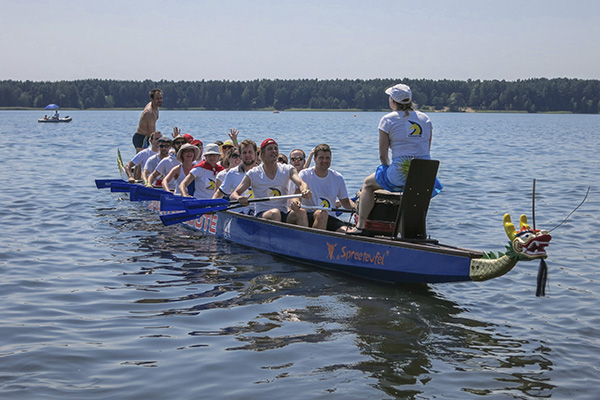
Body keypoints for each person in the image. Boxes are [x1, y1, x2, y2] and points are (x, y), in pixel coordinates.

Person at [348, 83, 433, 235]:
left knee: (368, 184)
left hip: (400, 173)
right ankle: (413, 234)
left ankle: (360, 227)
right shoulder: (425, 118)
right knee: (412, 193)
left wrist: (388, 170)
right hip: (425, 174)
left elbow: (382, 155)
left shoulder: (387, 120)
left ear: (393, 101)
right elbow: (427, 149)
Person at [231, 138, 311, 224]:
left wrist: (305, 190)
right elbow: (234, 194)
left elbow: (301, 183)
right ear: (262, 154)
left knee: (301, 212)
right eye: (270, 149)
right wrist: (239, 198)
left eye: (276, 148)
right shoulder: (253, 173)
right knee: (275, 213)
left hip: (283, 213)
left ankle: (303, 237)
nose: (274, 151)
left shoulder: (287, 169)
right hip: (263, 214)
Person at [293, 144, 355, 232]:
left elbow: (345, 202)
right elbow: (295, 196)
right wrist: (296, 202)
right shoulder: (305, 174)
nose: (325, 161)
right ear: (315, 159)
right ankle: (315, 242)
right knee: (322, 214)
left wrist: (357, 208)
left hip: (330, 217)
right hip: (310, 216)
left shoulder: (338, 177)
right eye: (321, 158)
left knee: (348, 232)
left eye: (327, 158)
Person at [213, 139, 259, 215]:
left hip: (256, 213)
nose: (247, 155)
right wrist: (212, 207)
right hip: (238, 213)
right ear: (240, 155)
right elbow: (219, 194)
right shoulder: (232, 173)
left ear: (256, 154)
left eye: (250, 152)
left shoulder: (263, 172)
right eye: (244, 153)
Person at [132, 88, 163, 153]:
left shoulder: (155, 107)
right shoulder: (149, 113)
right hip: (141, 138)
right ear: (152, 99)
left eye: (160, 98)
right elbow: (152, 133)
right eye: (157, 99)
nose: (159, 100)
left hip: (146, 138)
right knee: (141, 159)